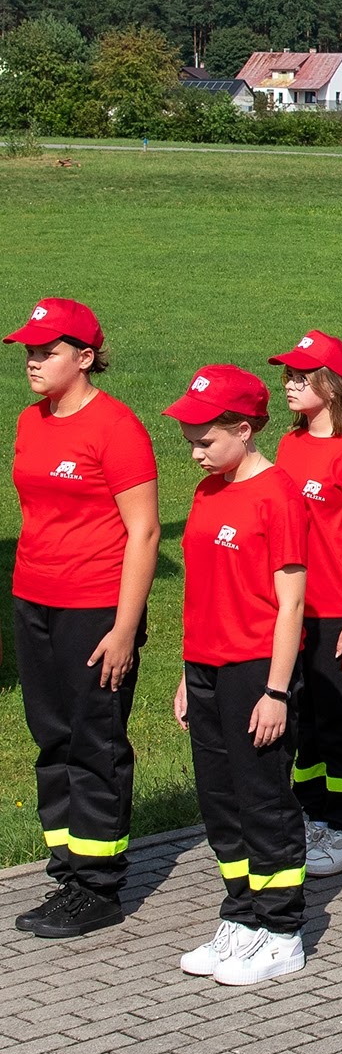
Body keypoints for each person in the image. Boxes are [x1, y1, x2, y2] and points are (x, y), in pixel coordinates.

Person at [7, 297, 160, 940]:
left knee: (94, 739)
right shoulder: (30, 421)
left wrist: (124, 628)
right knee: (52, 736)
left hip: (95, 606)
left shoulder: (116, 428)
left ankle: (98, 887)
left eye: (48, 351)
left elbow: (146, 532)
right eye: (30, 352)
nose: (34, 362)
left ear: (85, 357)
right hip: (33, 599)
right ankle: (68, 863)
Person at [165, 365, 310, 985]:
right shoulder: (207, 492)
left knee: (263, 800)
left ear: (244, 429)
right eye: (191, 440)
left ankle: (282, 931)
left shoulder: (278, 495)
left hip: (256, 671)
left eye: (206, 440)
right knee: (221, 802)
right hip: (206, 667)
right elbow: (203, 591)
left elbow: (292, 603)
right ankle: (241, 916)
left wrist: (276, 691)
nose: (195, 451)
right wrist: (185, 671)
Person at [271, 330, 342, 877]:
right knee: (303, 721)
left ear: (331, 387)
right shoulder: (290, 445)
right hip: (295, 612)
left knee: (340, 723)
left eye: (301, 376)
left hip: (339, 610)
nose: (289, 384)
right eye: (288, 375)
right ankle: (311, 815)